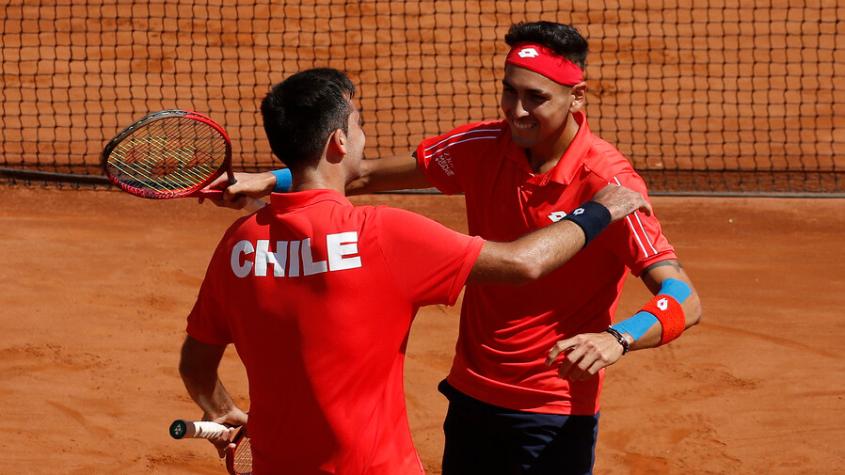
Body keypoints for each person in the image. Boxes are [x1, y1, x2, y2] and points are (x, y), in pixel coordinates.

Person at [211, 21, 703, 475]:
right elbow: (359, 173)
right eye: (509, 92)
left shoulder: (610, 187)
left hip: (550, 407)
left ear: (576, 97)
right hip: (470, 392)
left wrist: (617, 338)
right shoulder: (483, 145)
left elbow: (683, 297)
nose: (516, 111)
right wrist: (268, 179)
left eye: (535, 98)